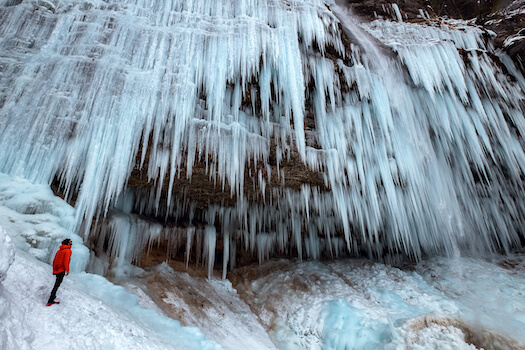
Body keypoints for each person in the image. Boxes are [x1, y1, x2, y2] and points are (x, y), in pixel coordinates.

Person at [47, 238, 72, 306]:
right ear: (67, 243)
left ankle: (53, 295)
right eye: (70, 242)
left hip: (57, 270)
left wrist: (54, 270)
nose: (71, 242)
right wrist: (67, 270)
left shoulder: (59, 251)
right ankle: (50, 300)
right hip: (61, 270)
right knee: (57, 285)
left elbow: (55, 261)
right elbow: (66, 261)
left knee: (56, 284)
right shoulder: (67, 251)